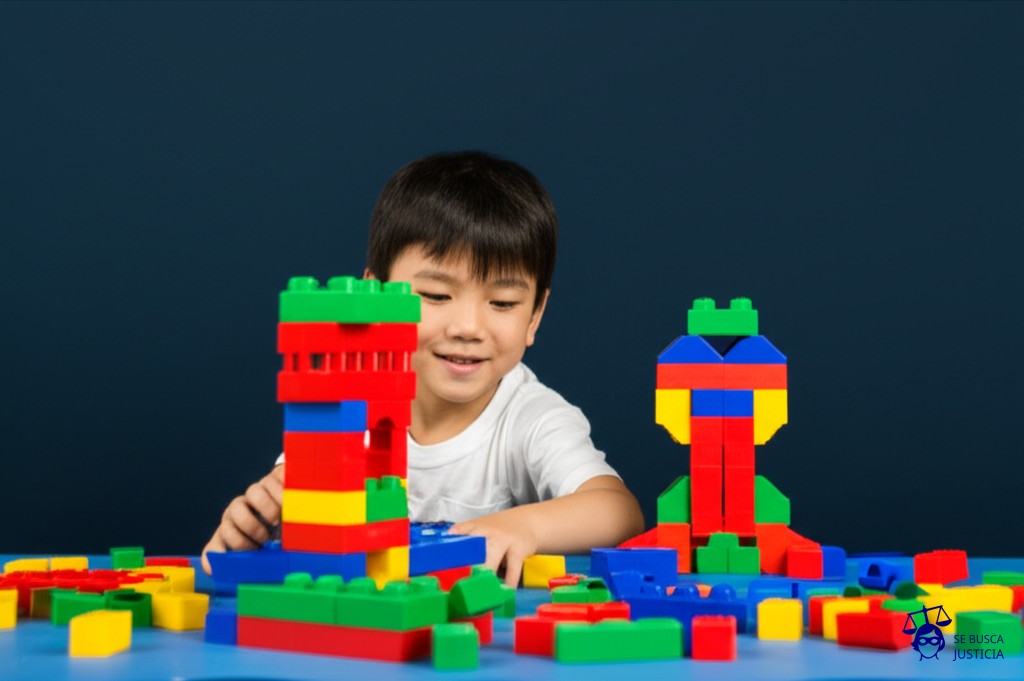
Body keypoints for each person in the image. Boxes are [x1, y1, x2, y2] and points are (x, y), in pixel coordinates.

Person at [202, 151, 645, 585]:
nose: (469, 327)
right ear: (375, 300)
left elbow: (618, 511)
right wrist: (252, 524)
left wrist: (523, 527)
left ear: (534, 316)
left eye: (503, 303)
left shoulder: (532, 418)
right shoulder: (347, 412)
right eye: (435, 295)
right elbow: (281, 513)